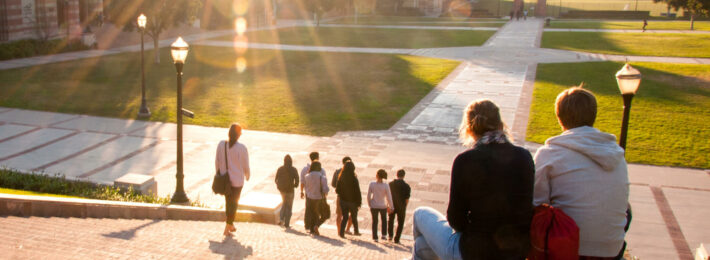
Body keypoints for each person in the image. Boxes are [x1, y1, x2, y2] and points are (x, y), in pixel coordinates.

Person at [412, 99, 534, 260]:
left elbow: (456, 219)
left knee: (420, 214)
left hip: (475, 252)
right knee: (421, 246)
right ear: (500, 124)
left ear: (469, 129)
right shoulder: (524, 157)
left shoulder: (465, 160)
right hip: (515, 253)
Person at [533, 87, 629, 259]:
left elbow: (536, 203)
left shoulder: (550, 154)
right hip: (612, 249)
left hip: (568, 247)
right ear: (593, 115)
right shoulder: (616, 154)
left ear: (559, 117)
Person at [215, 123, 251, 236]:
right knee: (234, 204)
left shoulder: (221, 144)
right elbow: (245, 164)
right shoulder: (242, 148)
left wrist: (219, 173)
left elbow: (217, 160)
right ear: (239, 135)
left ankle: (230, 224)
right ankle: (228, 226)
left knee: (228, 202)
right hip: (237, 181)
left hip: (225, 179)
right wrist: (247, 175)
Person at [336, 161, 362, 238]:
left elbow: (337, 190)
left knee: (345, 217)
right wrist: (359, 202)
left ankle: (341, 233)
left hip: (343, 201)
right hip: (352, 201)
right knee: (354, 216)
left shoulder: (341, 177)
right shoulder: (354, 178)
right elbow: (358, 191)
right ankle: (356, 231)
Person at [367, 169, 394, 242]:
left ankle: (375, 237)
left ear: (377, 175)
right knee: (384, 220)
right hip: (383, 205)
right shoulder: (386, 185)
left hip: (374, 205)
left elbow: (368, 196)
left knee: (375, 221)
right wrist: (391, 207)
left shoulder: (372, 184)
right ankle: (384, 235)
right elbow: (389, 197)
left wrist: (370, 204)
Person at [304, 161, 329, 236]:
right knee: (325, 214)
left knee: (313, 214)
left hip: (310, 197)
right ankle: (316, 226)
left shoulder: (307, 176)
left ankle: (312, 229)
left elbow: (306, 188)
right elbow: (326, 189)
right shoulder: (322, 177)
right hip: (319, 198)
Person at [300, 152, 324, 231]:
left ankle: (307, 225)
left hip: (308, 192)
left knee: (308, 209)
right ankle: (314, 226)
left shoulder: (305, 169)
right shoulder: (321, 170)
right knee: (316, 210)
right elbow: (324, 183)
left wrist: (301, 191)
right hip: (318, 194)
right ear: (318, 158)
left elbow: (302, 181)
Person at [275, 154, 299, 228]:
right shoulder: (294, 169)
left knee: (284, 204)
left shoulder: (280, 169)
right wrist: (295, 185)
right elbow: (297, 179)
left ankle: (281, 219)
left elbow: (276, 179)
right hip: (290, 190)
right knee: (289, 206)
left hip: (283, 190)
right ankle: (287, 222)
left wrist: (279, 187)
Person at [388, 169, 411, 244]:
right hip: (401, 206)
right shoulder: (407, 186)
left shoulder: (391, 184)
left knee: (391, 220)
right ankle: (397, 238)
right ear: (404, 176)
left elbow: (388, 196)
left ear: (396, 175)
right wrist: (405, 207)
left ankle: (390, 235)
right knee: (400, 223)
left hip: (392, 204)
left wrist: (388, 205)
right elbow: (407, 199)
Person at [332, 156, 354, 236]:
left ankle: (339, 231)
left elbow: (333, 184)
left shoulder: (337, 171)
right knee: (352, 214)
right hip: (351, 198)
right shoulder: (353, 173)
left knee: (339, 215)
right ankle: (347, 229)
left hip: (340, 196)